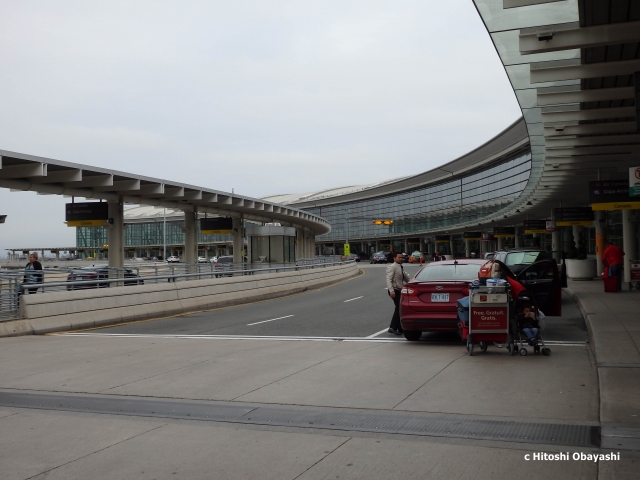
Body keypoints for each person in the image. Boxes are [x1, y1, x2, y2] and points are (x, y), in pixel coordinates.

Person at [386, 251, 409, 335]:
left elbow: (406, 278)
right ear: (394, 258)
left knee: (400, 308)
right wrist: (391, 290)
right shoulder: (392, 267)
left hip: (400, 290)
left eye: (401, 257)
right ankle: (392, 327)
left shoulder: (400, 267)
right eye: (399, 257)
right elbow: (389, 279)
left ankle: (400, 328)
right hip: (394, 290)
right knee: (399, 308)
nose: (401, 258)